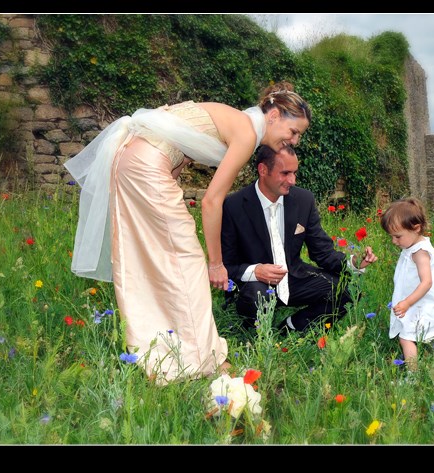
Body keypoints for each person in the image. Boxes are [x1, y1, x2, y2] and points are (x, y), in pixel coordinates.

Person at [64, 81, 311, 385]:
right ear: (273, 116)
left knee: (149, 258)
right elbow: (211, 201)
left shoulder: (235, 119)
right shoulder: (247, 133)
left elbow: (179, 149)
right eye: (294, 131)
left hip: (129, 159)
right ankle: (204, 360)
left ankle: (158, 349)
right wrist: (216, 264)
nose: (294, 140)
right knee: (189, 263)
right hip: (145, 165)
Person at [221, 145, 377, 333]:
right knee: (255, 295)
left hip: (293, 277)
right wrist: (255, 271)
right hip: (255, 286)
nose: (292, 180)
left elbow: (322, 252)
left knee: (347, 291)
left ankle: (292, 327)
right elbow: (226, 265)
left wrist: (354, 262)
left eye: (294, 173)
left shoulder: (303, 200)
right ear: (263, 170)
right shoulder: (233, 205)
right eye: (285, 173)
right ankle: (256, 336)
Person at [379, 197, 434, 371]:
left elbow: (427, 282)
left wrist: (407, 303)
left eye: (397, 236)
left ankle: (413, 374)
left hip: (424, 303)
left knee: (406, 337)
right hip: (418, 301)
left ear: (416, 228)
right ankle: (429, 362)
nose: (394, 241)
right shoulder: (412, 246)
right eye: (391, 237)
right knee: (415, 334)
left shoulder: (420, 252)